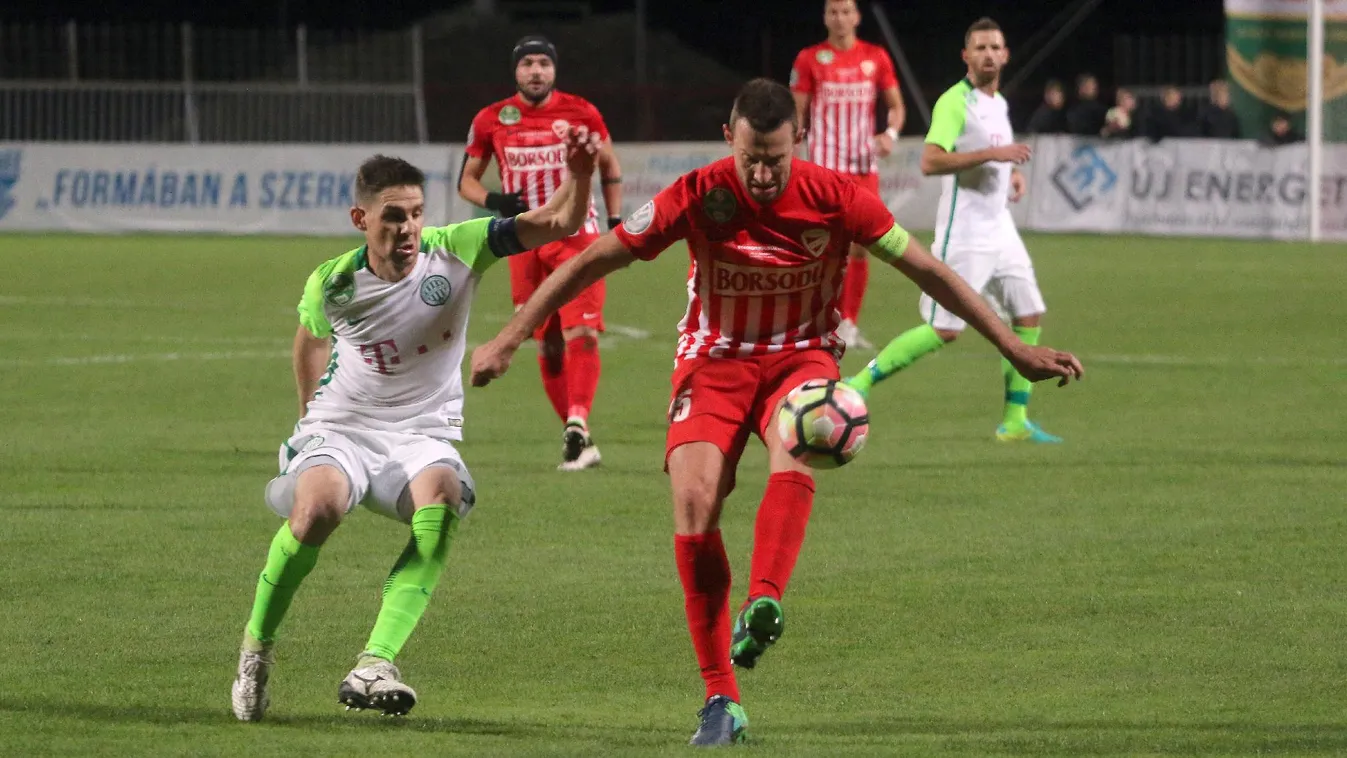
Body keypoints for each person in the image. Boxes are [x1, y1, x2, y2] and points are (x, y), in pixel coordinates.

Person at [470, 78, 1083, 745]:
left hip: (800, 362)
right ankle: (720, 699)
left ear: (801, 140)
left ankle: (764, 599)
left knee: (800, 439)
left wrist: (1011, 345)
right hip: (712, 364)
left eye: (775, 158)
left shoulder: (838, 197)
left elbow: (929, 271)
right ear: (727, 139)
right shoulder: (698, 193)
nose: (761, 174)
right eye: (750, 157)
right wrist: (507, 338)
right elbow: (596, 258)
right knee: (693, 501)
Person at [230, 131, 602, 722]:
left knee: (443, 502)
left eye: (416, 215)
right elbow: (309, 338)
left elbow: (559, 221)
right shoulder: (334, 281)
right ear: (361, 218)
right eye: (392, 217)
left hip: (420, 434)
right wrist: (308, 421)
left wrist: (579, 176)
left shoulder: (457, 249)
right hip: (343, 428)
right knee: (317, 511)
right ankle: (256, 650)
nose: (407, 229)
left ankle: (375, 662)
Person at [845, 17, 1066, 443]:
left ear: (1005, 55)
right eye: (979, 47)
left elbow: (992, 158)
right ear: (966, 56)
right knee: (945, 329)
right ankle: (859, 384)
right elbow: (930, 161)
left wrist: (1009, 176)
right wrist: (993, 154)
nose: (988, 54)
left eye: (994, 47)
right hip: (964, 232)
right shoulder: (954, 102)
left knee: (1028, 313)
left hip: (1000, 228)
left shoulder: (997, 103)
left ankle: (1014, 422)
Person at [458, 35, 623, 471]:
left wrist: (616, 219)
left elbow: (609, 164)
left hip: (577, 237)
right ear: (515, 71)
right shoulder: (491, 118)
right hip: (524, 242)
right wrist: (495, 201)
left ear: (554, 70)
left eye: (543, 64)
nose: (536, 71)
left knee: (581, 333)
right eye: (528, 63)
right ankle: (578, 438)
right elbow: (466, 182)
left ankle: (577, 419)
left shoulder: (581, 111)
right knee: (546, 344)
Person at [790, 0, 906, 350]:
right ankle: (812, 319)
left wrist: (890, 135)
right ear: (824, 17)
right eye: (832, 12)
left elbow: (897, 107)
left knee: (860, 247)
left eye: (845, 11)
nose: (839, 18)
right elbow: (796, 114)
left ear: (857, 17)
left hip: (862, 169)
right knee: (820, 246)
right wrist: (791, 155)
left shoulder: (876, 57)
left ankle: (849, 323)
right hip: (823, 168)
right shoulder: (809, 58)